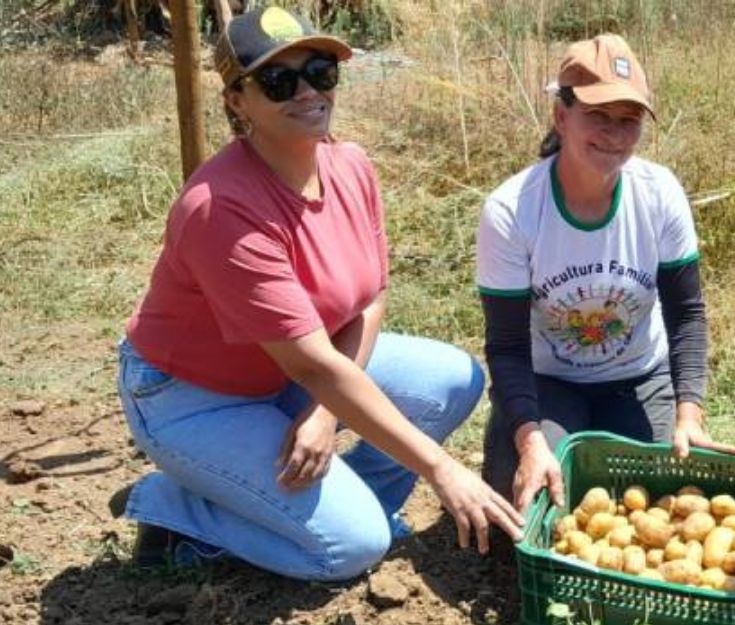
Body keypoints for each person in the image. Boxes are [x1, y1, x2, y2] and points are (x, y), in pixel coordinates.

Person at [111, 6, 522, 581]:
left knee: (452, 379)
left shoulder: (351, 166)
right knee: (348, 551)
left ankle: (348, 506)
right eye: (279, 81)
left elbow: (370, 298)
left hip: (291, 376)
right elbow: (313, 364)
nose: (307, 91)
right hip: (194, 397)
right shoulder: (221, 209)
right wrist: (441, 470)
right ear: (237, 101)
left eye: (320, 71)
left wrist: (324, 411)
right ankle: (175, 506)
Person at [476, 34, 735, 514]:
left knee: (662, 500)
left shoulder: (659, 193)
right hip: (548, 381)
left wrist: (690, 412)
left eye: (629, 120)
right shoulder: (512, 211)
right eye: (598, 116)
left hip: (640, 377)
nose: (615, 135)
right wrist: (530, 441)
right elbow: (507, 347)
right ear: (561, 115)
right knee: (530, 500)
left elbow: (686, 314)